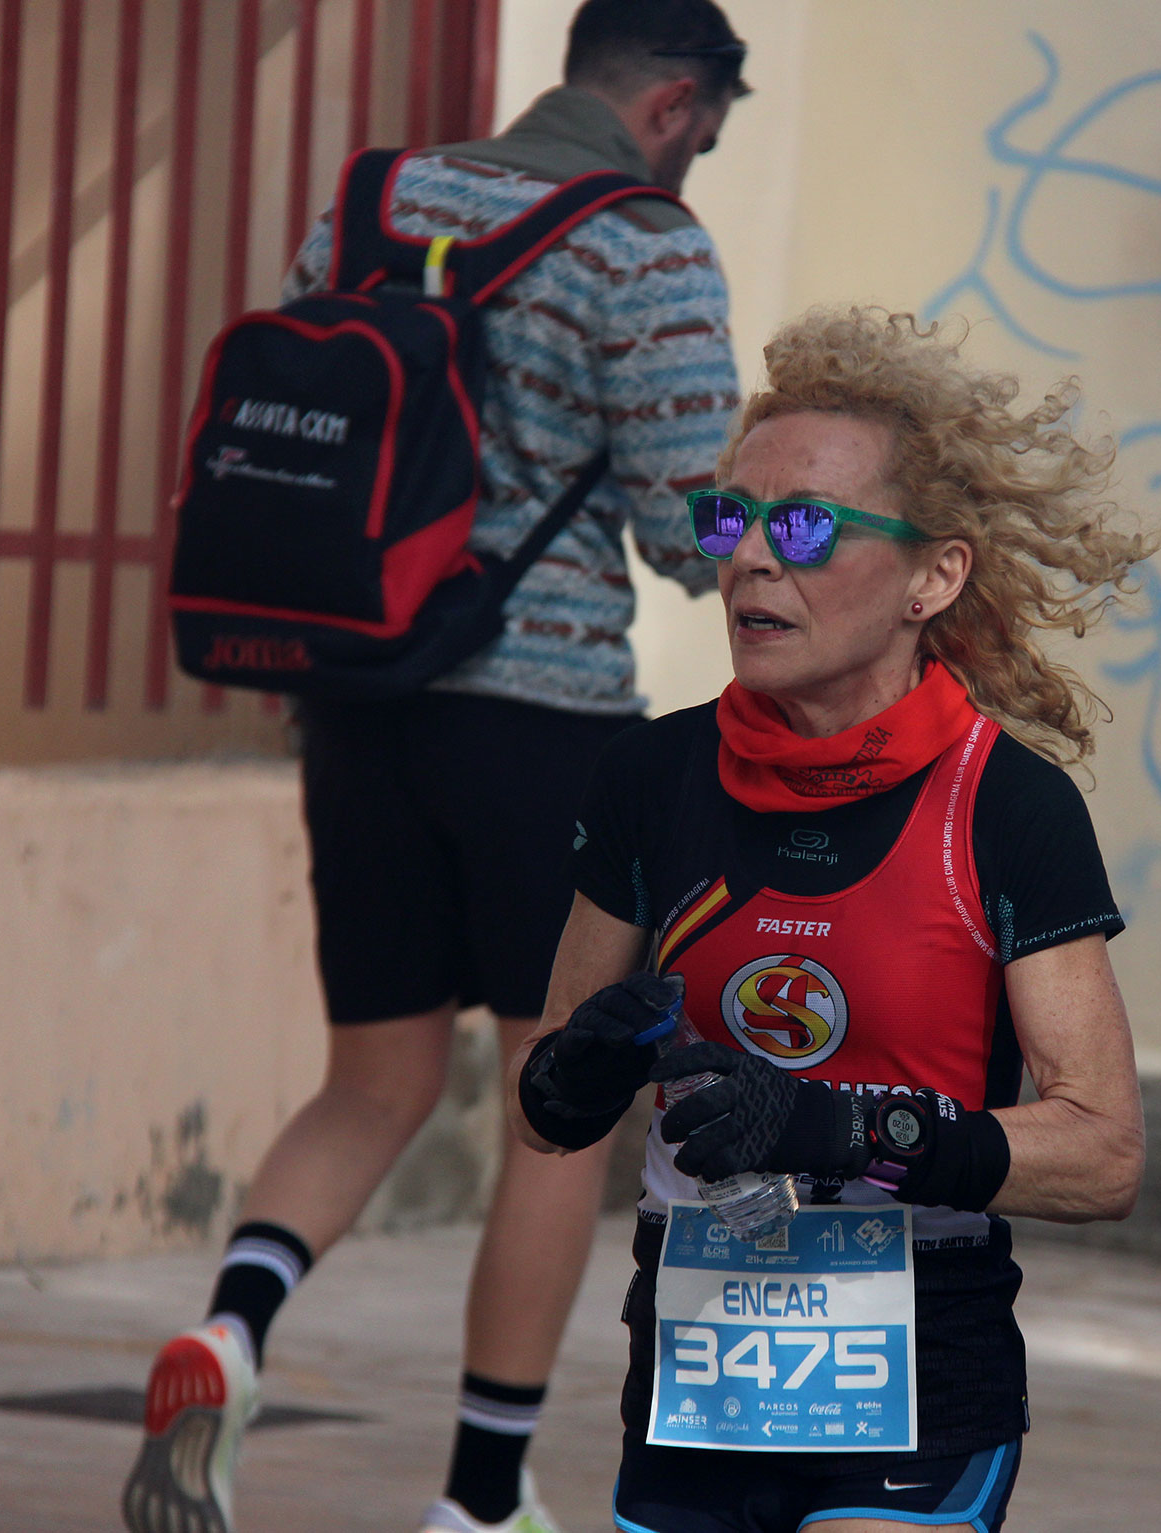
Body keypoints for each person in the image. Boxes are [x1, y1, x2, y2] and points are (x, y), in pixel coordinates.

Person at [123, 6, 750, 1533]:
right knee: (556, 1103)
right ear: (674, 104)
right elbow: (685, 530)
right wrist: (799, 520)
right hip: (541, 725)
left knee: (375, 1078)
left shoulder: (373, 199)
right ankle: (481, 1499)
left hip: (358, 705)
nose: (700, 163)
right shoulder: (647, 246)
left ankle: (232, 1332)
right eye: (708, 135)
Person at [509, 307, 1154, 1533]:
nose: (752, 559)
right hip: (699, 1362)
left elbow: (1103, 1153)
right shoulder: (650, 778)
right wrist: (572, 1076)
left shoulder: (1006, 806)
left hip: (918, 1366)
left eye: (805, 527)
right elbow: (540, 1109)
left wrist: (841, 1130)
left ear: (933, 576)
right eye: (729, 519)